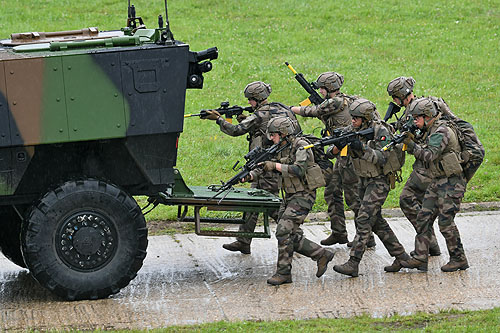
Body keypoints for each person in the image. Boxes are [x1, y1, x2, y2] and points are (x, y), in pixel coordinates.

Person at [204, 81, 300, 254]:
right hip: (274, 161)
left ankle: (297, 239)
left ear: (257, 99)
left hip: (267, 165)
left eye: (250, 100)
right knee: (253, 200)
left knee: (270, 205)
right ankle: (243, 240)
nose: (248, 103)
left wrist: (218, 119)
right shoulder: (279, 108)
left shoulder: (260, 114)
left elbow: (235, 130)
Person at [290, 72, 376, 248]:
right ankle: (338, 232)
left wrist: (291, 109)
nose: (320, 91)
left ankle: (366, 236)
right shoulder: (345, 100)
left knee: (353, 197)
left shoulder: (336, 102)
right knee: (332, 190)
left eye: (322, 88)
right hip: (341, 154)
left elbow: (312, 111)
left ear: (329, 89)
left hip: (350, 155)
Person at [245, 116, 334, 285]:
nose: (271, 138)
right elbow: (264, 166)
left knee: (283, 231)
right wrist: (250, 175)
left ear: (284, 133)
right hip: (289, 196)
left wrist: (274, 166)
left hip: (304, 195)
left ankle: (284, 273)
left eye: (274, 135)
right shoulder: (279, 147)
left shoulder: (301, 146)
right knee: (289, 233)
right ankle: (321, 254)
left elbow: (298, 169)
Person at [331, 99, 410, 277]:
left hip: (380, 181)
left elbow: (382, 157)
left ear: (365, 118)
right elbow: (331, 152)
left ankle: (353, 262)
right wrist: (337, 145)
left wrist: (361, 149)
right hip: (363, 180)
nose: (352, 121)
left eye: (356, 119)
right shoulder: (353, 130)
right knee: (376, 222)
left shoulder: (381, 131)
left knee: (364, 219)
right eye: (352, 118)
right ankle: (401, 256)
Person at [400, 98, 469, 272]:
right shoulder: (430, 130)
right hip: (437, 180)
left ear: (428, 116)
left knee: (445, 222)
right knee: (423, 217)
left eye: (417, 117)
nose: (415, 121)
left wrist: (411, 145)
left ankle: (458, 258)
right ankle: (420, 257)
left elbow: (429, 155)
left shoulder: (441, 131)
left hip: (452, 182)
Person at [384, 77, 442, 271]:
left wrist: (409, 143)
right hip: (426, 163)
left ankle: (425, 248)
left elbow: (420, 139)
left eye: (394, 97)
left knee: (407, 199)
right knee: (421, 206)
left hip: (428, 164)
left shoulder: (415, 111)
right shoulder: (422, 107)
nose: (394, 102)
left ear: (401, 96)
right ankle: (430, 244)